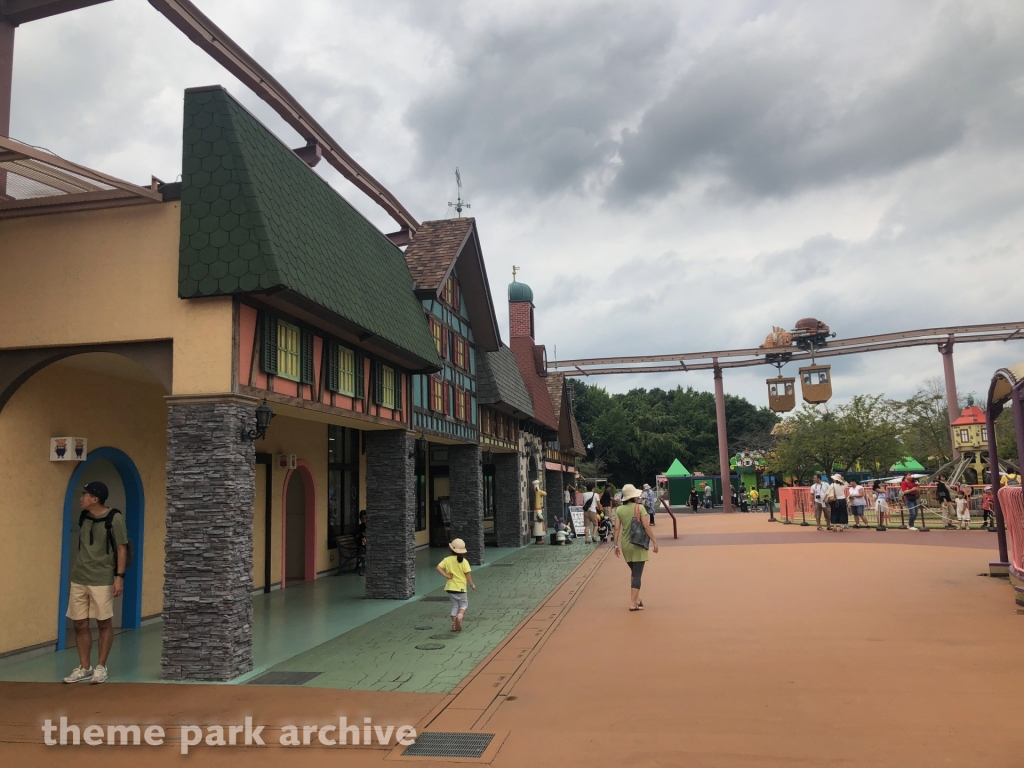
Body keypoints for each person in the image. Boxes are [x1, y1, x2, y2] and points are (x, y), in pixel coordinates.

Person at [63, 481, 127, 685]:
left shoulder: (114, 518)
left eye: (85, 495)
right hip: (79, 577)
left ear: (95, 499)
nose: (81, 498)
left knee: (103, 622)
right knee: (79, 622)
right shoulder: (84, 516)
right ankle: (84, 667)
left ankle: (101, 666)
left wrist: (119, 578)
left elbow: (121, 549)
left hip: (102, 578)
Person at [612, 484, 659, 612]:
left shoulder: (619, 510)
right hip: (638, 544)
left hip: (626, 545)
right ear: (634, 496)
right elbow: (646, 526)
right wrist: (654, 541)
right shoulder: (640, 508)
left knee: (634, 572)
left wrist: (615, 545)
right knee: (637, 574)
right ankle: (633, 603)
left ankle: (637, 599)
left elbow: (616, 528)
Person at [436, 538, 475, 632]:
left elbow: (438, 567)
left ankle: (454, 625)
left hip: (450, 588)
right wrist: (471, 585)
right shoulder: (464, 561)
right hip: (461, 588)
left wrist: (446, 575)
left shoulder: (447, 560)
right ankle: (460, 617)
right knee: (463, 605)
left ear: (451, 549)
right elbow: (467, 574)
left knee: (454, 605)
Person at [532, 479, 547, 544]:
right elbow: (545, 493)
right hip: (538, 520)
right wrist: (541, 518)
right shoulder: (538, 491)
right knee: (538, 530)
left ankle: (538, 539)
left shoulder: (537, 491)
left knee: (538, 529)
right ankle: (538, 540)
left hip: (538, 518)